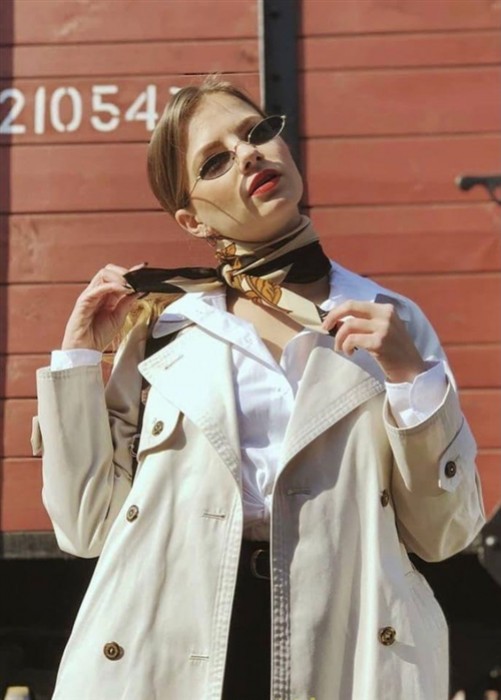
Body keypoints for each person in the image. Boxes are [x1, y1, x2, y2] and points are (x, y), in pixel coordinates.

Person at [32, 76, 485, 700]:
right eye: (215, 161)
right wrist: (79, 354)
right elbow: (84, 527)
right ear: (191, 219)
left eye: (256, 132)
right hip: (168, 649)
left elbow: (446, 535)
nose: (249, 153)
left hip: (343, 645)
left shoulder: (391, 323)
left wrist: (410, 378)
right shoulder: (163, 333)